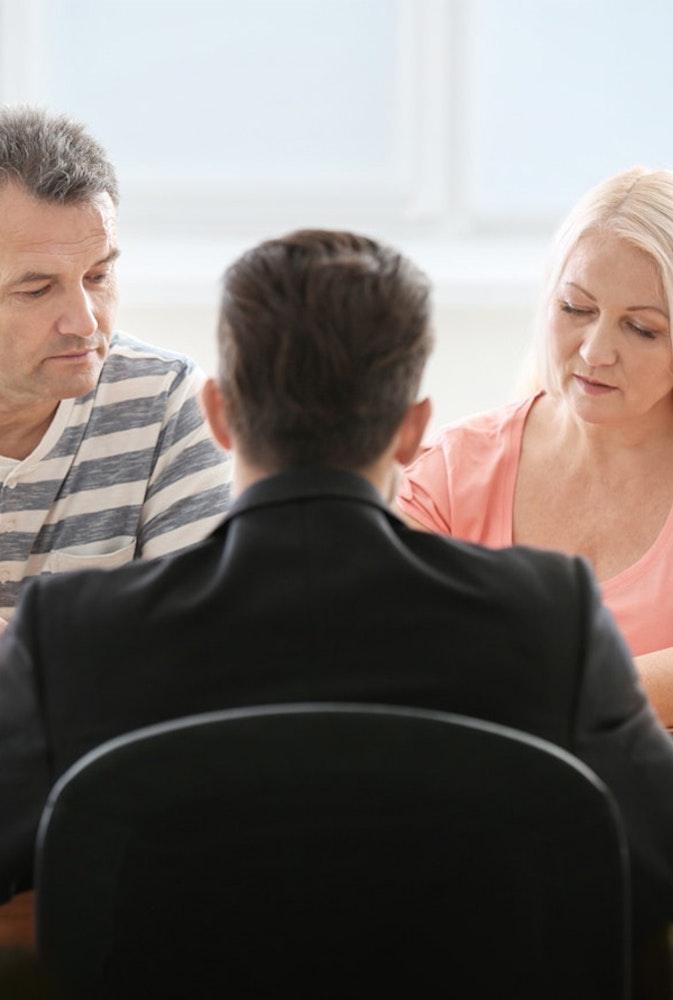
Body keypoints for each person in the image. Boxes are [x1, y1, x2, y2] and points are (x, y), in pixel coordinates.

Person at [0, 229, 673, 963]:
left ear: (219, 415)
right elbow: (650, 873)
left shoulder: (73, 635)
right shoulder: (549, 619)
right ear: (415, 429)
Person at [397, 165, 673, 727]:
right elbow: (398, 651)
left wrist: (529, 689)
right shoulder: (452, 472)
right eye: (576, 309)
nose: (596, 351)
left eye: (641, 328)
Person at [0, 104, 231, 624]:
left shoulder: (165, 402)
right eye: (37, 290)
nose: (85, 322)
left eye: (99, 276)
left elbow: (202, 640)